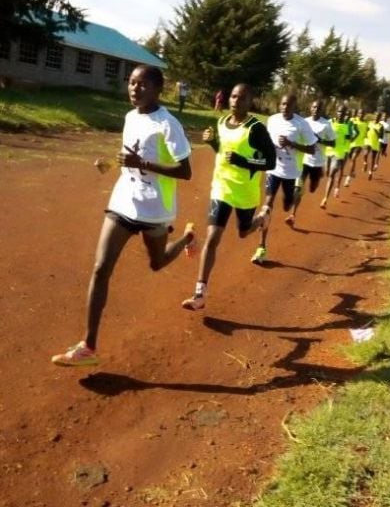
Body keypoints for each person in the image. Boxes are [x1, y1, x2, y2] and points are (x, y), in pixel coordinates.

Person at [52, 65, 195, 366]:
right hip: (124, 201)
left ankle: (187, 239)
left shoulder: (168, 125)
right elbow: (130, 156)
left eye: (142, 84)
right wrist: (114, 164)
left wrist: (140, 162)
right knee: (100, 267)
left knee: (157, 263)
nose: (134, 89)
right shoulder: (130, 117)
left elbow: (185, 171)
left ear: (158, 89)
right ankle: (88, 346)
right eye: (131, 83)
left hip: (155, 208)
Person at [182, 83, 276, 310]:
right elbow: (224, 153)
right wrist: (213, 142)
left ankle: (262, 219)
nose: (235, 101)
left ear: (249, 102)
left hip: (245, 190)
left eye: (241, 98)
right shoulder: (222, 122)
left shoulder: (256, 128)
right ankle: (200, 293)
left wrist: (243, 161)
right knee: (213, 236)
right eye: (233, 96)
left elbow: (271, 161)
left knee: (244, 232)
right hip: (222, 186)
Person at [251, 93, 317, 264]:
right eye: (282, 104)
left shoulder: (301, 124)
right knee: (267, 205)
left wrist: (291, 144)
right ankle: (261, 247)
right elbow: (266, 141)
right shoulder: (272, 120)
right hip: (273, 169)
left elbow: (312, 149)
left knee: (287, 204)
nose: (285, 108)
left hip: (292, 172)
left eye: (288, 105)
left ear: (295, 107)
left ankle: (294, 198)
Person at [288, 100, 336, 225]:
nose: (316, 109)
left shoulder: (326, 125)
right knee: (298, 188)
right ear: (311, 108)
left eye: (319, 108)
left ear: (322, 110)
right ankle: (292, 214)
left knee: (313, 188)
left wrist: (320, 140)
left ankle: (316, 181)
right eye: (314, 107)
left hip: (318, 162)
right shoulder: (304, 122)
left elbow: (333, 143)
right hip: (304, 160)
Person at [320, 106, 356, 209]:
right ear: (337, 112)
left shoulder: (348, 125)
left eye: (343, 112)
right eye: (339, 111)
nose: (341, 114)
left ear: (346, 114)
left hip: (339, 152)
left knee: (332, 173)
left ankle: (325, 199)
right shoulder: (330, 122)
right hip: (328, 151)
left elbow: (351, 137)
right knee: (327, 172)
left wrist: (347, 143)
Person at [344, 108, 369, 187]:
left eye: (362, 113)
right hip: (351, 143)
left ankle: (348, 179)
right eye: (359, 113)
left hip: (359, 144)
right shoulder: (353, 120)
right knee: (350, 159)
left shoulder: (366, 124)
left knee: (353, 159)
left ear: (364, 115)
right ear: (357, 113)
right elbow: (347, 128)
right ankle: (353, 171)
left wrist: (365, 145)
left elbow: (366, 134)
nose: (361, 115)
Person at [363, 111, 385, 180]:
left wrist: (377, 133)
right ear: (374, 116)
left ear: (380, 118)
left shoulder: (381, 126)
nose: (377, 117)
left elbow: (381, 137)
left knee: (373, 158)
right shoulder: (370, 123)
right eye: (376, 115)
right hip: (368, 141)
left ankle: (370, 172)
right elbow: (366, 130)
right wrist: (365, 134)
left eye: (379, 116)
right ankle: (365, 163)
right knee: (365, 154)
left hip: (375, 143)